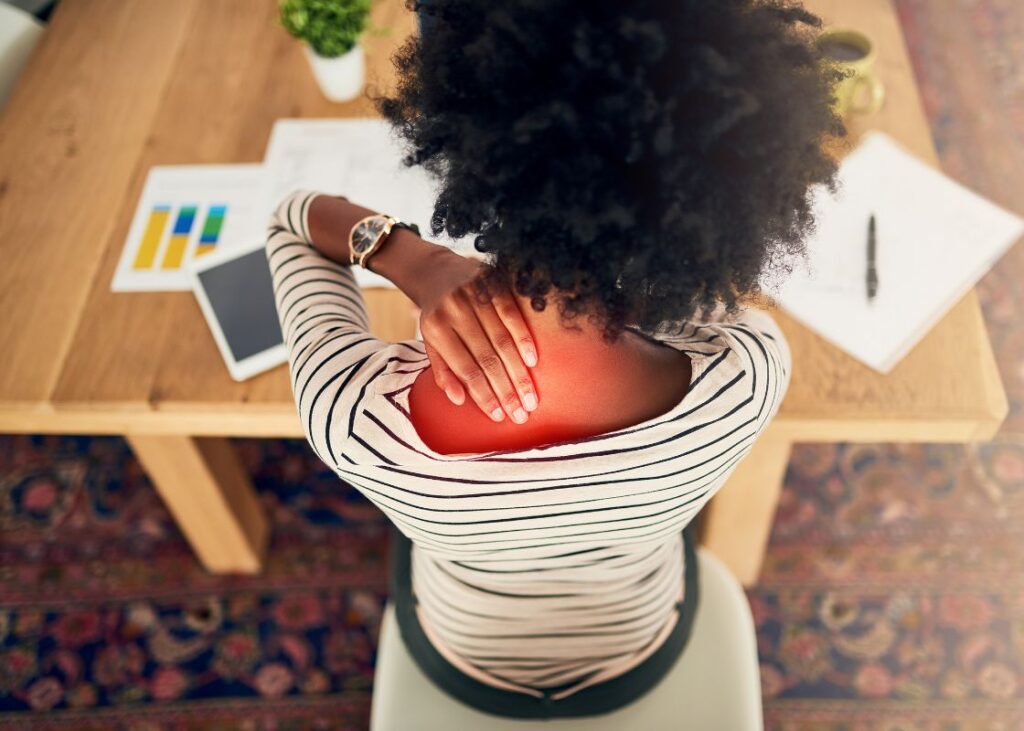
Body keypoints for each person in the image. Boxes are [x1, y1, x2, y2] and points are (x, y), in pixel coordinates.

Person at [265, 0, 844, 719]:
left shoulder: (352, 421)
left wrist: (414, 258)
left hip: (462, 649)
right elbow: (698, 308)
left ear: (470, 145)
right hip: (641, 637)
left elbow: (292, 219)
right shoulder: (748, 371)